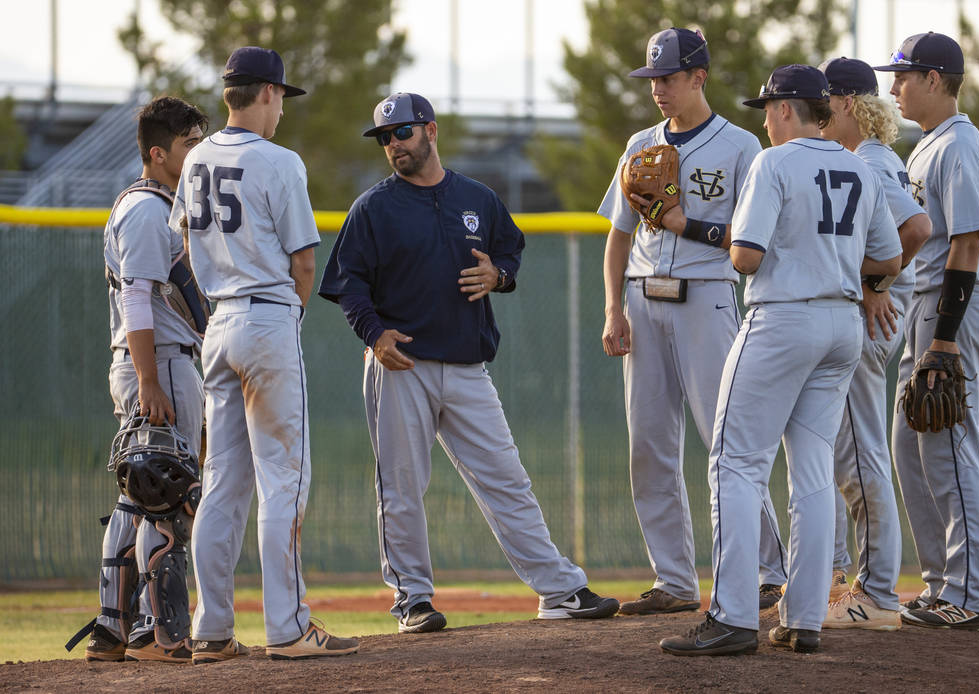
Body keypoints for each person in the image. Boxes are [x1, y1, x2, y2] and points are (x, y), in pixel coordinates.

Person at [318, 91, 619, 634]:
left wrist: (499, 276)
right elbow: (347, 284)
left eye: (402, 133)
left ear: (430, 131)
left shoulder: (476, 196)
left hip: (466, 365)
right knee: (401, 488)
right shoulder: (373, 207)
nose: (393, 145)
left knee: (508, 479)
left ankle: (560, 589)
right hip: (399, 365)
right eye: (385, 138)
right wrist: (374, 331)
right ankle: (412, 598)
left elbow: (510, 252)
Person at [659, 64, 902, 657]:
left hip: (783, 318)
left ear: (788, 109)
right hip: (842, 325)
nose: (765, 120)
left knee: (735, 462)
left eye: (768, 109)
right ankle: (805, 618)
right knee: (814, 467)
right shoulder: (858, 164)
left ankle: (733, 615)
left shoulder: (774, 161)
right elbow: (889, 257)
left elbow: (744, 257)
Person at [170, 46, 358, 662]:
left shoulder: (194, 157)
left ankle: (212, 629)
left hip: (217, 324)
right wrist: (286, 318)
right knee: (284, 480)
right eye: (282, 97)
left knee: (222, 482)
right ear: (268, 93)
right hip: (267, 318)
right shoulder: (280, 161)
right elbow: (304, 261)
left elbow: (185, 254)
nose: (282, 109)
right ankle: (289, 627)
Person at [597, 26, 789, 617]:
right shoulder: (639, 143)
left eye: (670, 77)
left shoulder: (740, 148)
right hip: (641, 298)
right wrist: (612, 308)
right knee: (649, 445)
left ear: (699, 76)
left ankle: (768, 571)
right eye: (653, 78)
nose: (658, 88)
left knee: (727, 441)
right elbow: (618, 236)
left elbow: (755, 238)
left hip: (707, 296)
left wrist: (687, 224)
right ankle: (674, 579)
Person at [71, 96, 208, 664]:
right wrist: (152, 380)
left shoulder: (154, 203)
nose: (197, 152)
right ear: (158, 153)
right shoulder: (150, 210)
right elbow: (136, 299)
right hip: (159, 363)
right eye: (188, 145)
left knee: (139, 494)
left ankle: (112, 627)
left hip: (154, 362)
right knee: (167, 492)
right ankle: (158, 632)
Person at [875, 32, 979, 631]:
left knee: (949, 445)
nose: (893, 87)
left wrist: (944, 340)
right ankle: (939, 586)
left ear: (934, 79)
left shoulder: (959, 145)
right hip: (926, 303)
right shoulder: (928, 145)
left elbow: (968, 242)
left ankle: (972, 598)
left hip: (954, 306)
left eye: (903, 76)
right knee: (910, 442)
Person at [817, 57, 932, 631]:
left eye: (823, 102)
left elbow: (916, 230)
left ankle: (879, 592)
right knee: (843, 451)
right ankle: (842, 582)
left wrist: (874, 283)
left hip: (871, 317)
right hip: (862, 312)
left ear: (844, 103)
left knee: (859, 454)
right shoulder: (862, 158)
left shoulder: (869, 161)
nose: (817, 112)